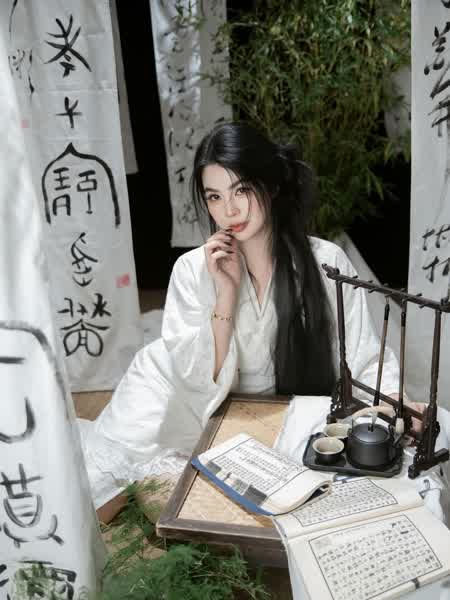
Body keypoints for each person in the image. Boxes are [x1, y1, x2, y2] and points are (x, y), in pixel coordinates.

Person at [79, 122, 403, 522]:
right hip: (175, 393)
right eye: (214, 196)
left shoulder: (326, 262)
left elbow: (364, 354)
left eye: (242, 190)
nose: (229, 210)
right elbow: (198, 377)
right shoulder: (192, 268)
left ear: (273, 185)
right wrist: (226, 293)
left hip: (261, 410)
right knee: (100, 500)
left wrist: (392, 403)